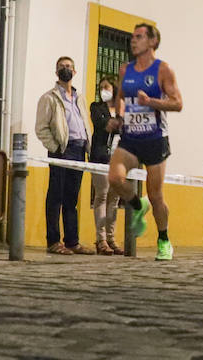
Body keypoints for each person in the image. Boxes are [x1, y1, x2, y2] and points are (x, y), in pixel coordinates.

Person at [107, 23, 182, 261]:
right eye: (132, 37)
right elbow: (120, 99)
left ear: (152, 42)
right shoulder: (125, 70)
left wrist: (152, 102)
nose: (133, 41)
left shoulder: (163, 70)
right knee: (114, 178)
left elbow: (177, 103)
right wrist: (118, 118)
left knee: (156, 194)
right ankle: (138, 205)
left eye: (139, 37)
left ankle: (164, 240)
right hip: (130, 137)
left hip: (155, 138)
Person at [35, 56, 96, 256]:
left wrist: (88, 145)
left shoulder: (80, 98)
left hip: (79, 151)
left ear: (75, 72)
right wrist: (56, 147)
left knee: (71, 198)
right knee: (55, 196)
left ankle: (72, 241)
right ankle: (53, 241)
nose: (65, 69)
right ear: (56, 72)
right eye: (61, 67)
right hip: (62, 150)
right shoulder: (49, 98)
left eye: (69, 66)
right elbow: (42, 128)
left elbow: (83, 122)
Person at [89, 75, 122, 255]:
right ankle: (100, 239)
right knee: (101, 195)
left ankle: (111, 238)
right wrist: (114, 123)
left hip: (119, 159)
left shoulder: (122, 109)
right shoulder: (96, 107)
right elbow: (104, 124)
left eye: (107, 87)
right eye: (101, 87)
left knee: (114, 199)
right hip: (101, 157)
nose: (103, 91)